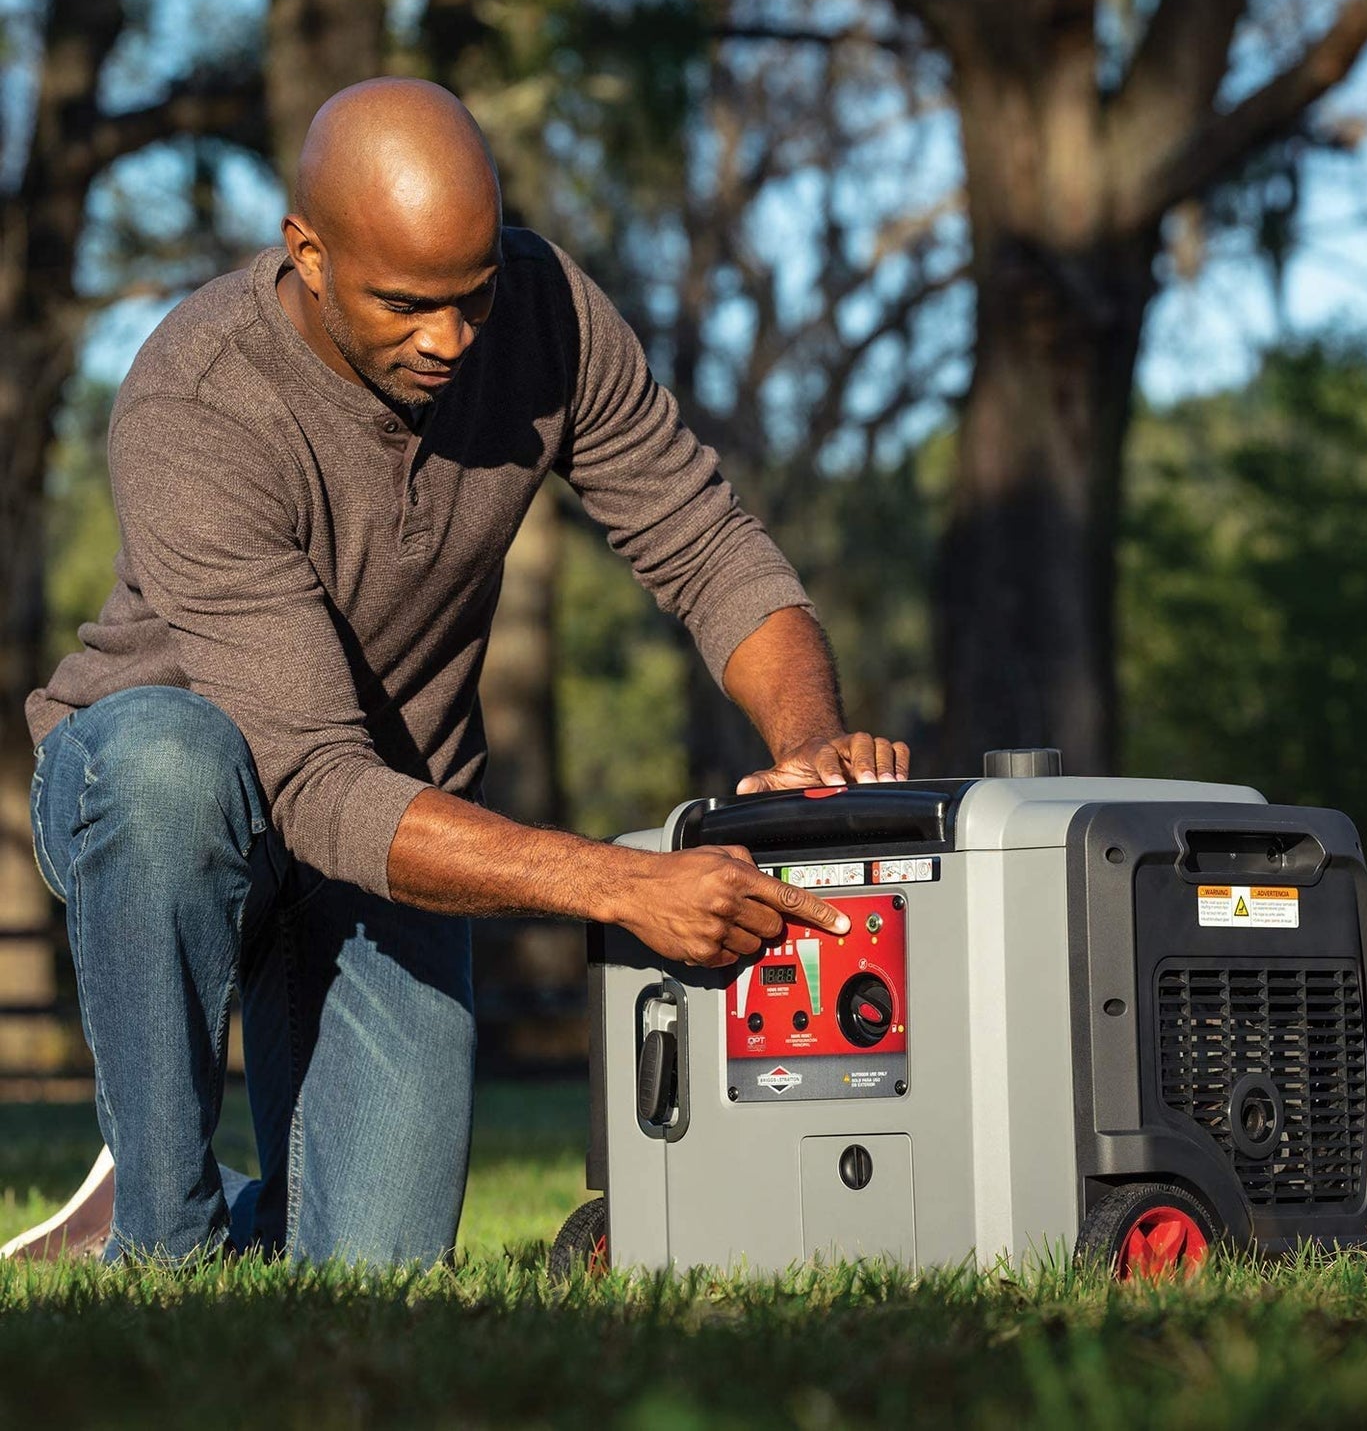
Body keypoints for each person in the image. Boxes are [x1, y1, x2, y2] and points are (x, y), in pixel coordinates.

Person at [8, 78, 909, 1266]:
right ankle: (156, 1232)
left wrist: (806, 737)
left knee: (371, 1270)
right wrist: (621, 883)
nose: (450, 339)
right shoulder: (197, 398)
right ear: (308, 254)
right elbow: (315, 781)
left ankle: (210, 1215)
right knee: (168, 762)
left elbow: (709, 547)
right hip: (187, 792)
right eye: (405, 304)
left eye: (470, 296)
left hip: (397, 833)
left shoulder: (543, 313)